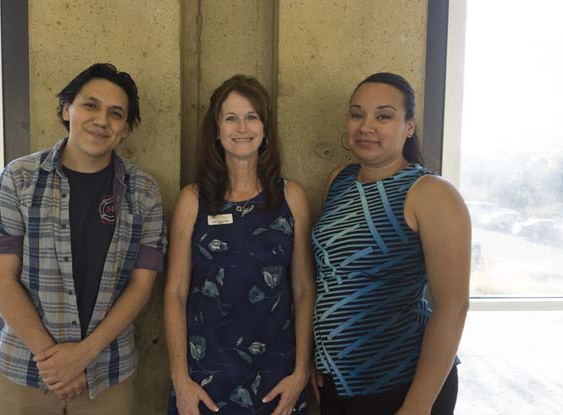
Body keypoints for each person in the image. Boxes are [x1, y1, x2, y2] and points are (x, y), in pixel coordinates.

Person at [0, 63, 167, 415]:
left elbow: (142, 286)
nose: (101, 120)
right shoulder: (19, 179)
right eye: (90, 105)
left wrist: (83, 354)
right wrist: (55, 363)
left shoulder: (143, 192)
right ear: (68, 109)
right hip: (24, 370)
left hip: (107, 375)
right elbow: (0, 279)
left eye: (116, 114)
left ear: (125, 129)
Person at [310, 73, 470, 415]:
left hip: (401, 381)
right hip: (339, 381)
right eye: (357, 114)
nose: (366, 126)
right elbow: (331, 279)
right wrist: (320, 356)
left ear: (409, 126)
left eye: (383, 116)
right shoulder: (338, 181)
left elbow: (453, 307)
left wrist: (418, 405)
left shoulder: (432, 193)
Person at [164, 75, 316, 415]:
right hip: (204, 378)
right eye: (230, 118)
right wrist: (180, 379)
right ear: (217, 131)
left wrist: (301, 372)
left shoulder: (292, 197)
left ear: (265, 129)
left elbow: (305, 288)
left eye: (251, 117)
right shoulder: (193, 200)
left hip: (277, 374)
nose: (241, 127)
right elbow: (174, 291)